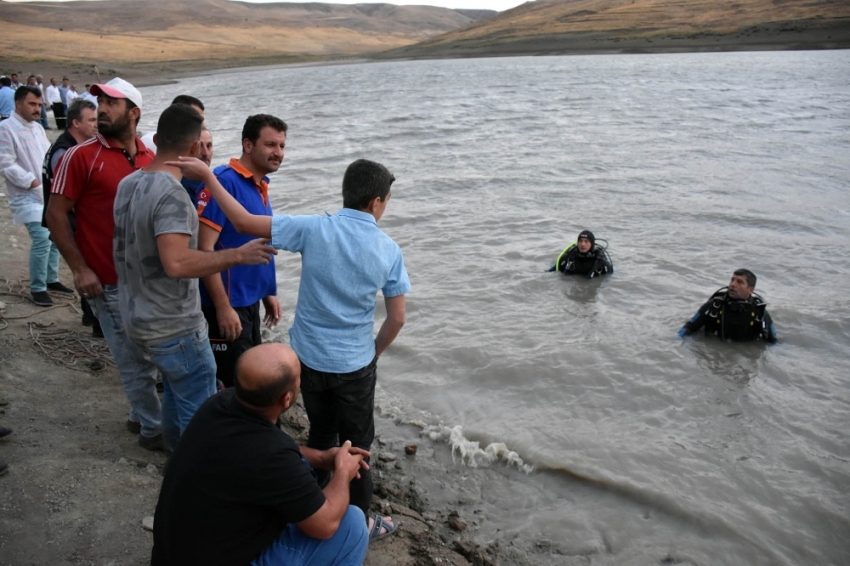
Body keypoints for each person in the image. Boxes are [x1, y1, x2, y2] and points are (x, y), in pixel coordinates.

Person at [169, 156, 408, 539]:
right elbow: (396, 318)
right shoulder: (389, 250)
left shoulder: (314, 229)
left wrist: (209, 179)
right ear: (377, 202)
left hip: (308, 359)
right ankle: (358, 524)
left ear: (346, 194)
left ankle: (309, 503)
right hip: (355, 365)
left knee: (320, 436)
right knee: (357, 447)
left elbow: (244, 221)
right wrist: (373, 352)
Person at [113, 103, 276, 451]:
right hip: (173, 325)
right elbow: (176, 263)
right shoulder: (173, 195)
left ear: (157, 139)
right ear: (191, 150)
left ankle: (176, 458)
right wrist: (237, 255)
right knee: (200, 413)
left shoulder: (128, 182)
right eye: (200, 146)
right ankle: (196, 479)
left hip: (134, 317)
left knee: (174, 394)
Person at [151, 343, 370, 566]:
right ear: (286, 399)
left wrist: (322, 458)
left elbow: (261, 458)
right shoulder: (271, 453)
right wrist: (343, 472)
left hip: (173, 554)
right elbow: (325, 525)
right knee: (352, 523)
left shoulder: (218, 405)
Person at [47, 77, 164, 450]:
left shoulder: (148, 156)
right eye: (99, 102)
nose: (102, 109)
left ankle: (138, 416)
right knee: (133, 360)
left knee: (149, 355)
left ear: (134, 112)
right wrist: (80, 270)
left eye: (112, 103)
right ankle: (153, 430)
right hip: (107, 281)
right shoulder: (80, 156)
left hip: (148, 281)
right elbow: (55, 215)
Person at [196, 114, 284, 388]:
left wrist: (267, 292)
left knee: (253, 379)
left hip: (249, 302)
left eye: (282, 146)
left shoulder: (260, 183)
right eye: (270, 144)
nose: (278, 153)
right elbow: (204, 250)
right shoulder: (222, 182)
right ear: (248, 144)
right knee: (236, 386)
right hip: (225, 305)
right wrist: (222, 308)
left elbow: (255, 243)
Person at [0, 85, 73, 306]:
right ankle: (38, 287)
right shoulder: (5, 128)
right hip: (26, 195)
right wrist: (31, 181)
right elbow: (5, 163)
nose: (37, 109)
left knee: (53, 236)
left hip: (46, 191)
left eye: (40, 105)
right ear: (19, 103)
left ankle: (51, 279)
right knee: (42, 238)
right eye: (32, 104)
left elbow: (47, 155)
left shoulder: (38, 128)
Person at [41, 98, 100, 334]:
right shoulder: (64, 152)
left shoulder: (72, 148)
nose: (97, 125)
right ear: (75, 122)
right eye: (92, 120)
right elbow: (67, 196)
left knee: (88, 267)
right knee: (87, 268)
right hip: (68, 222)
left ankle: (91, 316)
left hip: (69, 219)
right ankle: (97, 323)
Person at [679, 269, 777, 343]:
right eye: (732, 280)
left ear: (750, 290)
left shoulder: (759, 312)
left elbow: (774, 342)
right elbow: (689, 327)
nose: (733, 284)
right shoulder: (714, 305)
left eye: (740, 282)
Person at [548, 229, 613, 278]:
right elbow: (551, 271)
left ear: (592, 244)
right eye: (580, 241)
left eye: (586, 241)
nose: (582, 244)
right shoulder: (568, 258)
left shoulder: (601, 263)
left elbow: (610, 278)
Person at [181, 126, 212, 202]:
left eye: (208, 146)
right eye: (199, 146)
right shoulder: (182, 188)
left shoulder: (217, 181)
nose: (206, 153)